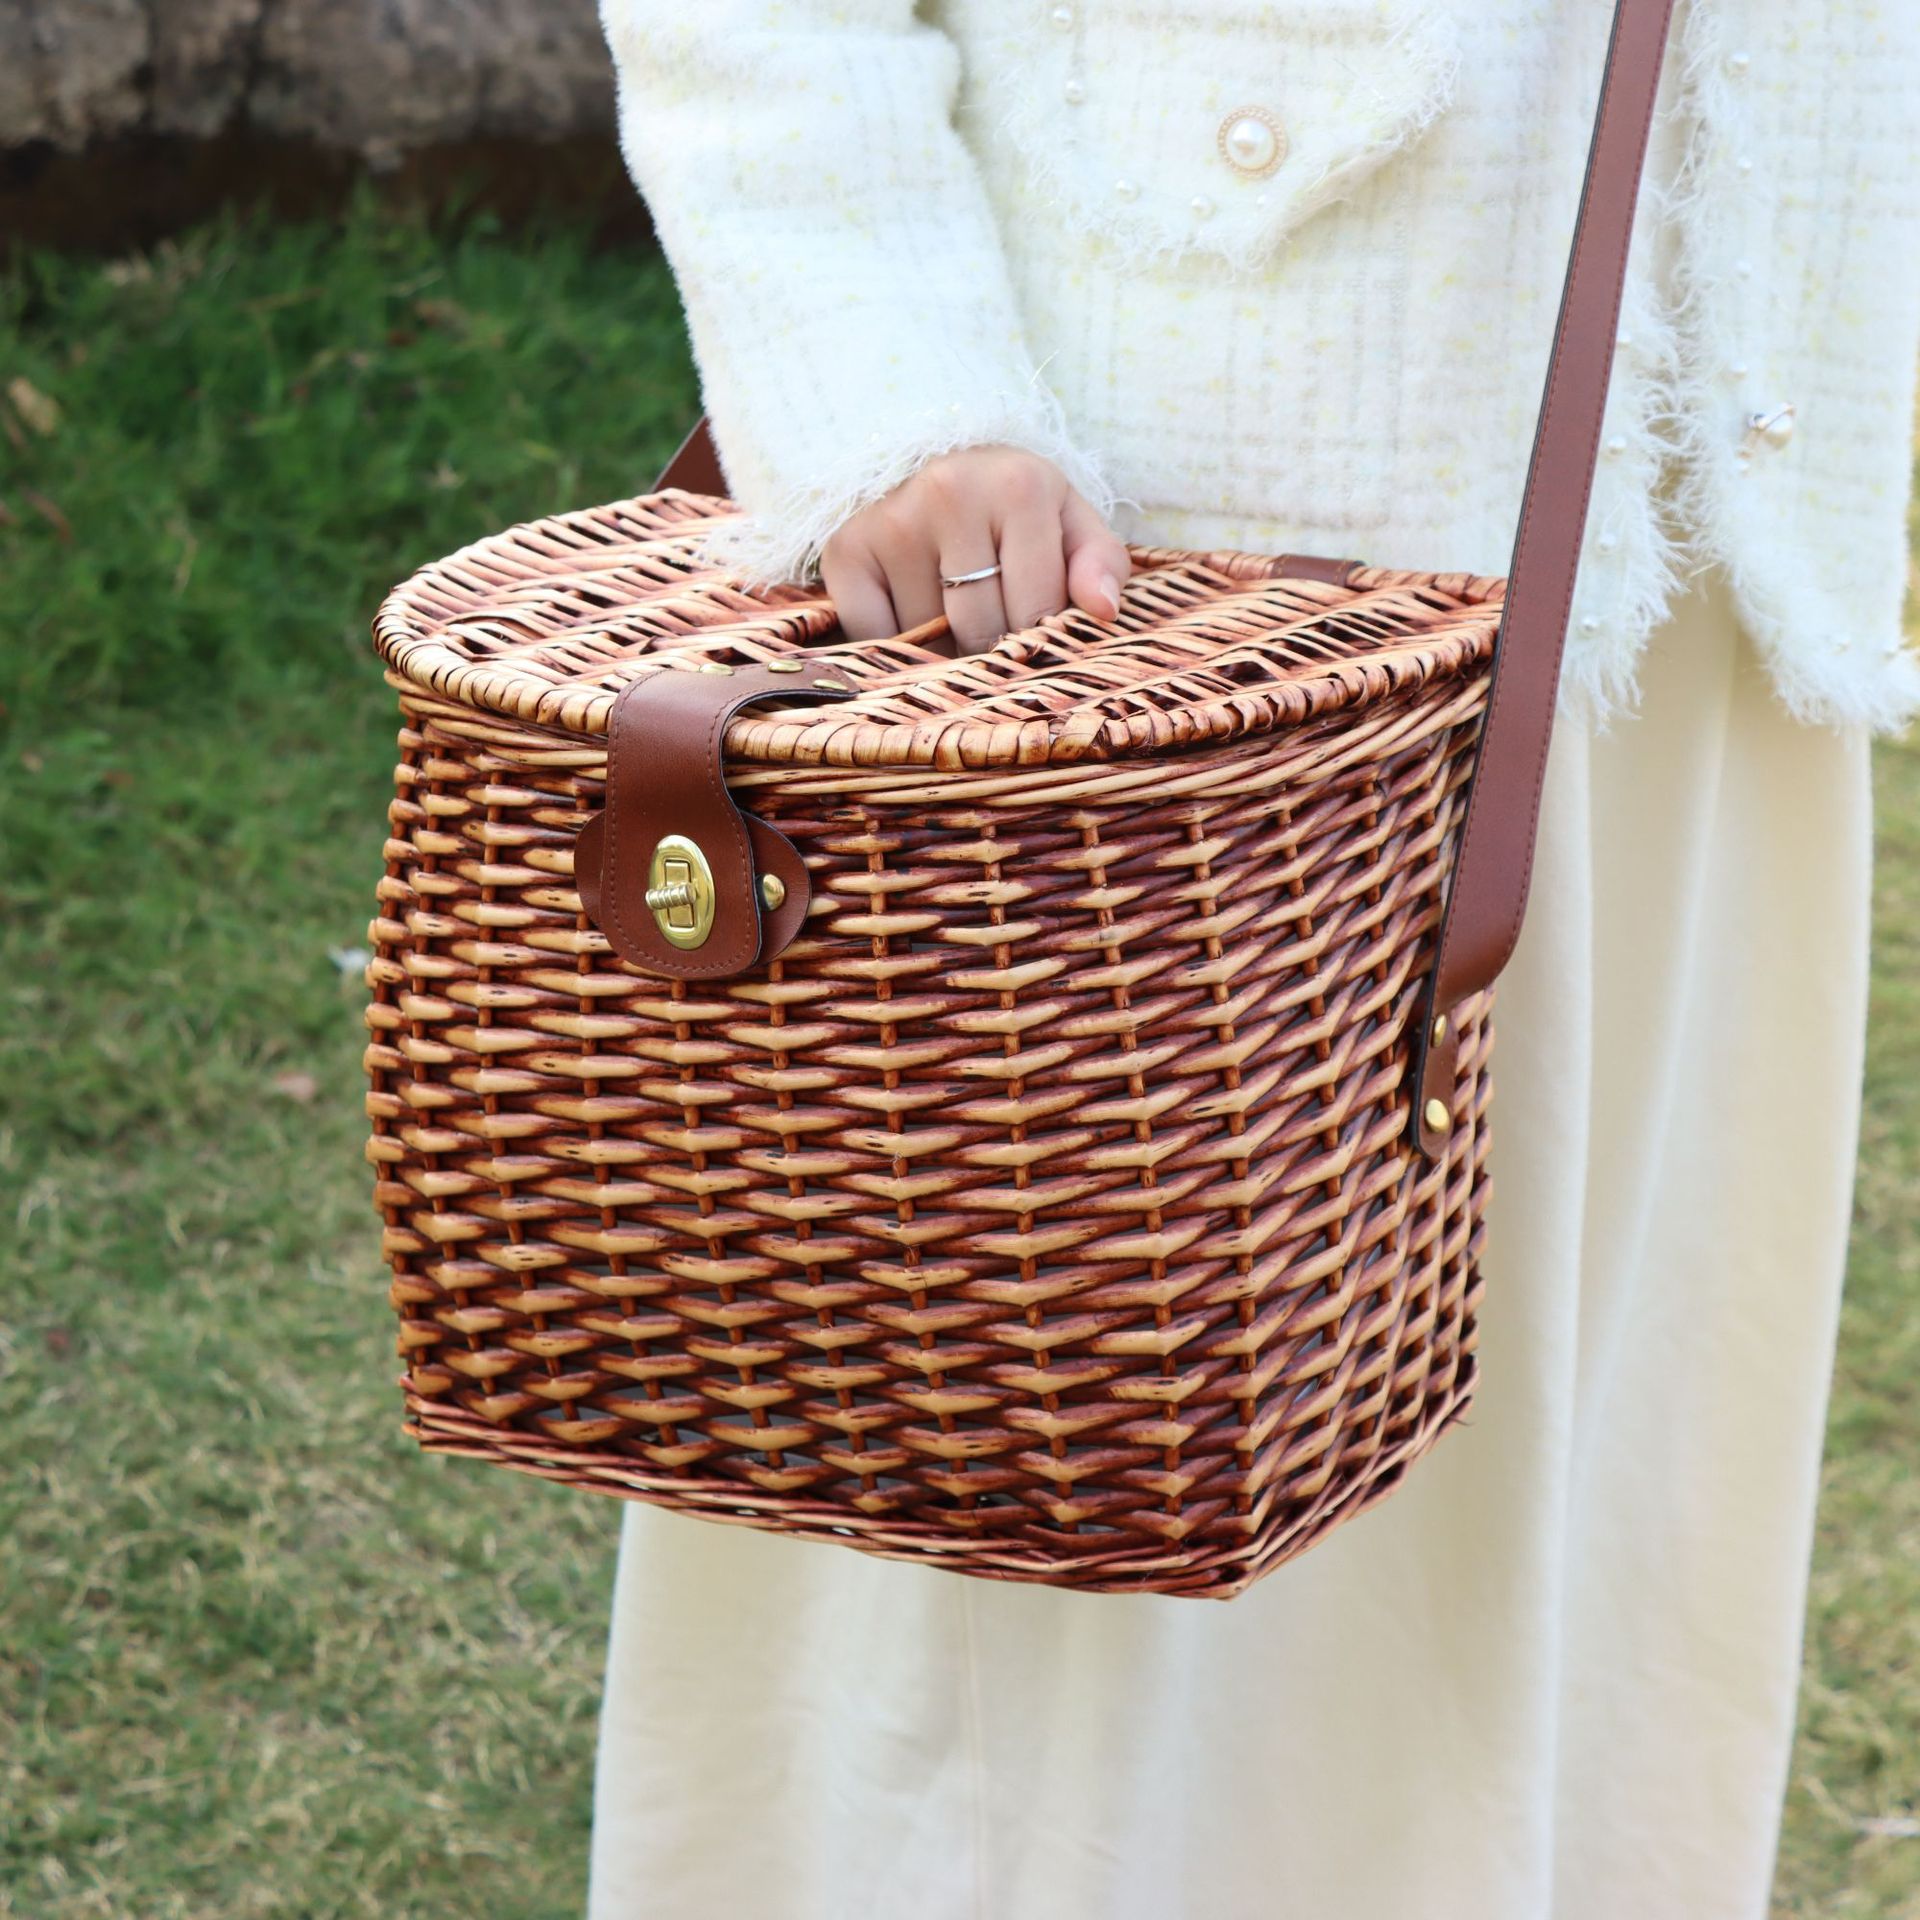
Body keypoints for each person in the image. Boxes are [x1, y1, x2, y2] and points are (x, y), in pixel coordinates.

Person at [584, 4, 1920, 1916]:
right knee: (1082, 1603)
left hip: (1713, 496)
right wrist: (887, 367)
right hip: (1186, 543)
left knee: (1591, 1554)